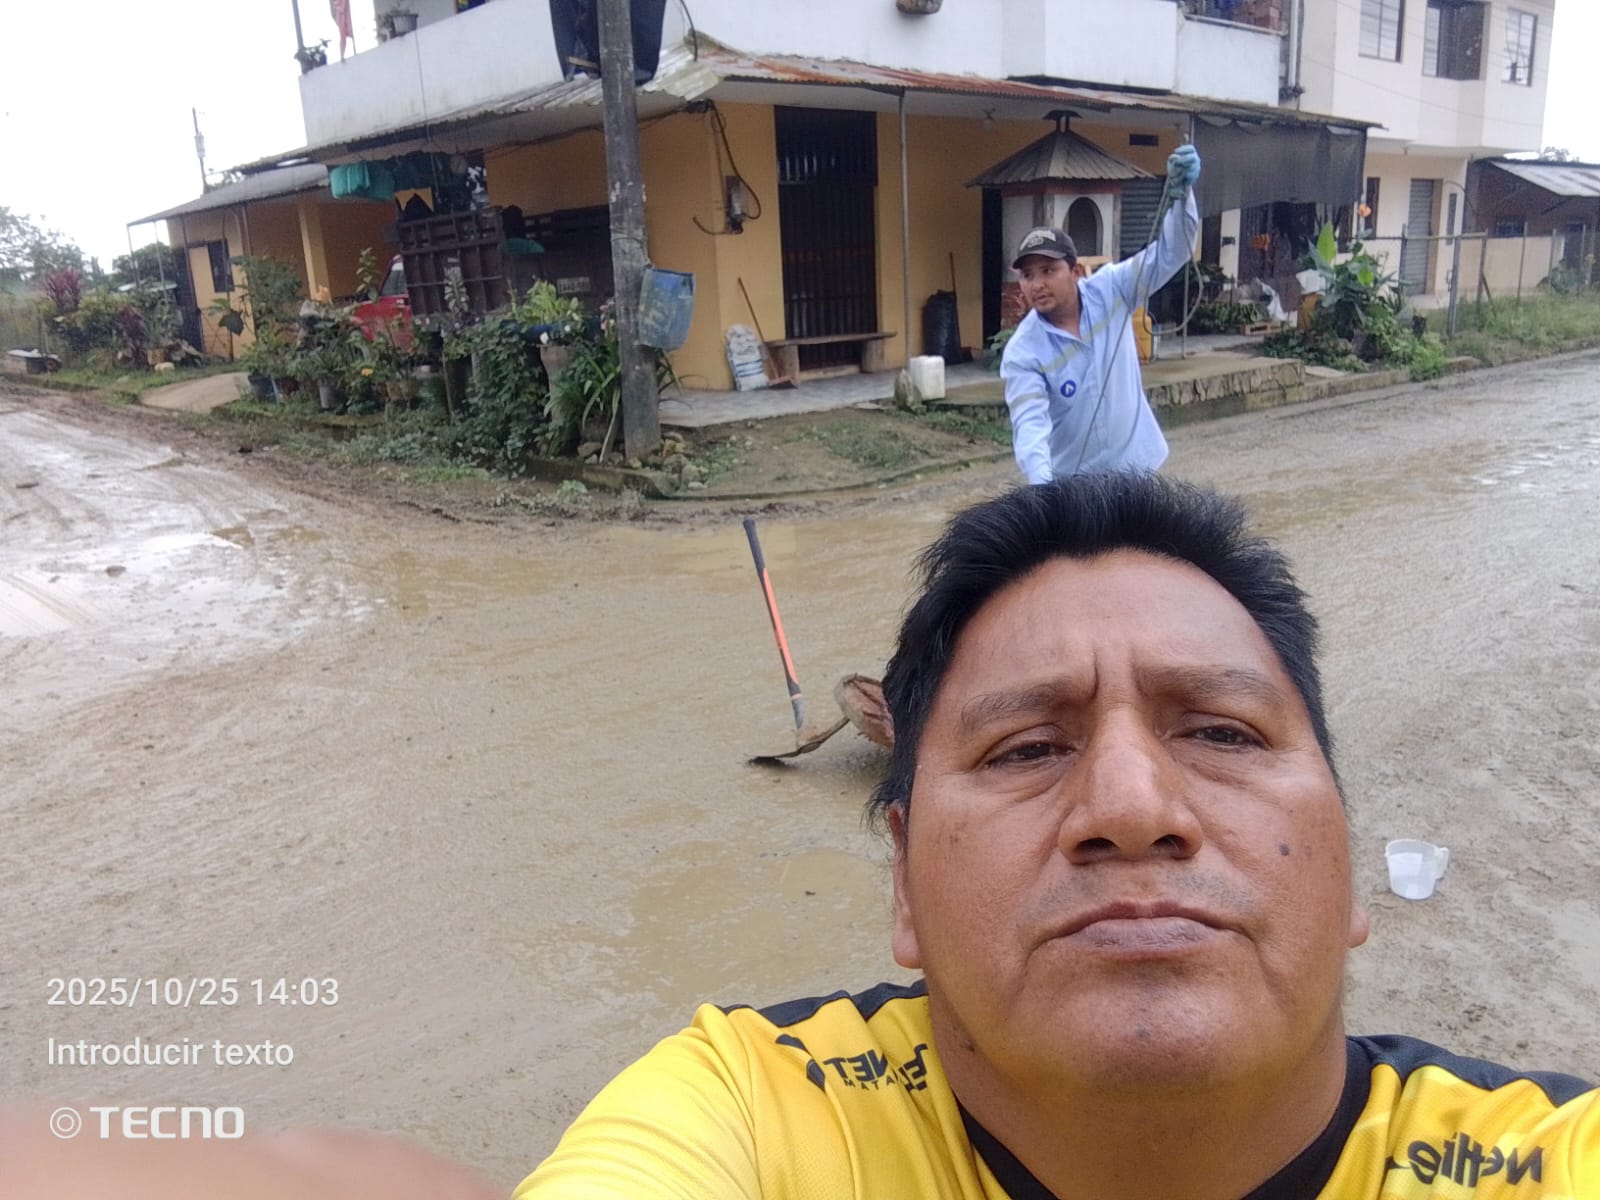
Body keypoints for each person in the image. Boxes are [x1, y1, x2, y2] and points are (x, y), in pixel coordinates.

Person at [517, 473, 1598, 1198]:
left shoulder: (1551, 1160)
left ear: (1348, 857)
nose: (1131, 809)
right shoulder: (755, 1116)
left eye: (1221, 732)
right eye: (1025, 749)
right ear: (903, 882)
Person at [1002, 146, 1202, 484]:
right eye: (1028, 275)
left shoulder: (1112, 289)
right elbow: (1029, 426)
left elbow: (1172, 253)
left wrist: (1182, 198)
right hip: (1078, 492)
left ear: (1076, 271)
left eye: (1048, 270)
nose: (1037, 284)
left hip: (1139, 474)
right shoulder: (1023, 353)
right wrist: (1044, 490)